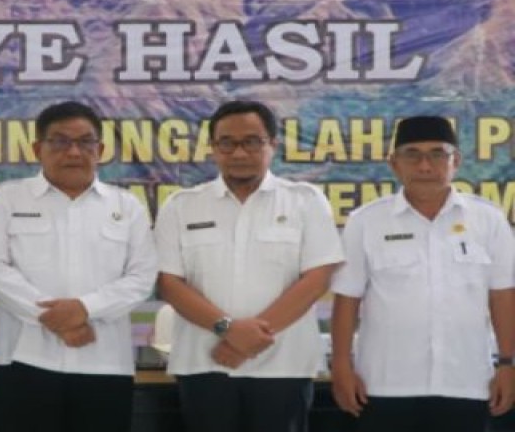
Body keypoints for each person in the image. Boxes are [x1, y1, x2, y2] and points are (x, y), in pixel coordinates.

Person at [154, 100, 343, 432]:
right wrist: (228, 330)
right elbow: (169, 282)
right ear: (213, 148)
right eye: (227, 142)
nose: (239, 152)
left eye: (252, 141)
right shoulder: (181, 206)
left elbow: (316, 278)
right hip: (205, 363)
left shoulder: (306, 201)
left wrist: (248, 338)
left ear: (273, 144)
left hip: (283, 366)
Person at [0, 101, 158, 432]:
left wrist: (84, 309)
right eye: (60, 141)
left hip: (103, 363)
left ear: (100, 149)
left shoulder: (126, 206)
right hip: (21, 359)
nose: (73, 152)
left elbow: (141, 277)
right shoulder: (6, 200)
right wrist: (60, 321)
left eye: (85, 142)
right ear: (37, 149)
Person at [329, 115, 515, 431]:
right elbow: (347, 299)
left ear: (455, 160)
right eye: (412, 154)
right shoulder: (366, 221)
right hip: (384, 384)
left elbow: (503, 295)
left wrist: (509, 364)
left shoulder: (488, 220)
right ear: (394, 164)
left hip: (466, 381)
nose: (425, 166)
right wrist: (342, 367)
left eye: (437, 154)